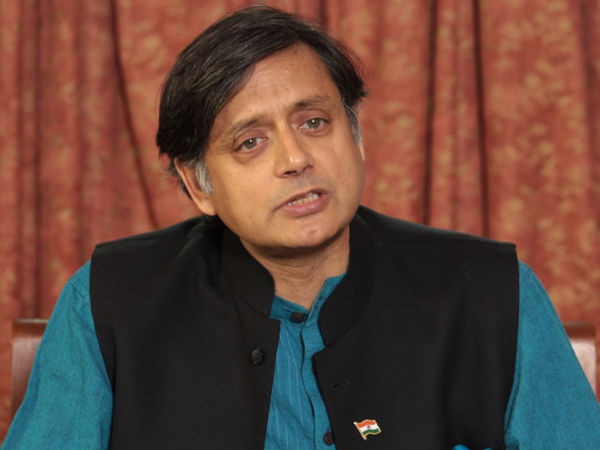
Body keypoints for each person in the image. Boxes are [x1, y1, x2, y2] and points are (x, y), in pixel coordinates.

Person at [2, 5, 600, 450]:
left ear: (356, 135)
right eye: (250, 142)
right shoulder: (109, 301)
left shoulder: (496, 293)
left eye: (314, 122)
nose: (295, 159)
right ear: (197, 184)